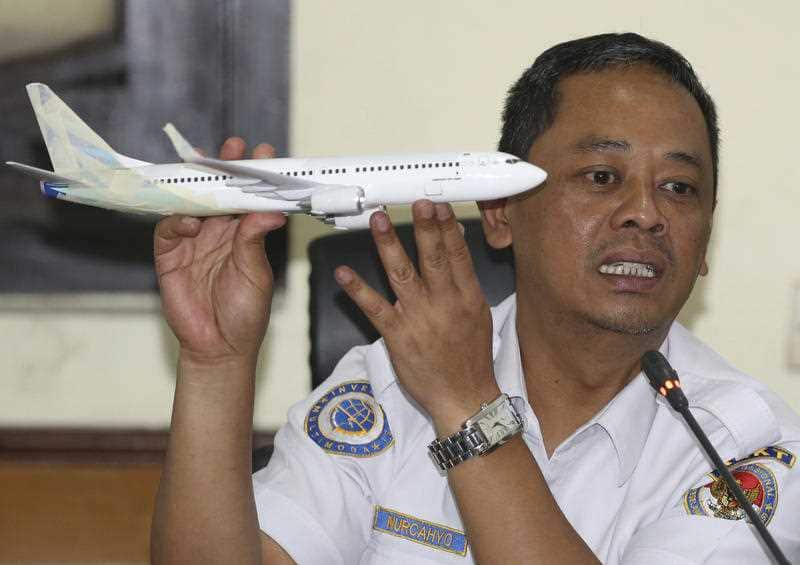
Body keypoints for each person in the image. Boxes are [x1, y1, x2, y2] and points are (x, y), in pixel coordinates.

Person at [150, 33, 800, 564]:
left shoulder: (750, 448)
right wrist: (215, 364)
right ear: (499, 213)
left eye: (681, 188)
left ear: (707, 237)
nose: (646, 213)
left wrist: (468, 406)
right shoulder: (386, 388)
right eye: (603, 176)